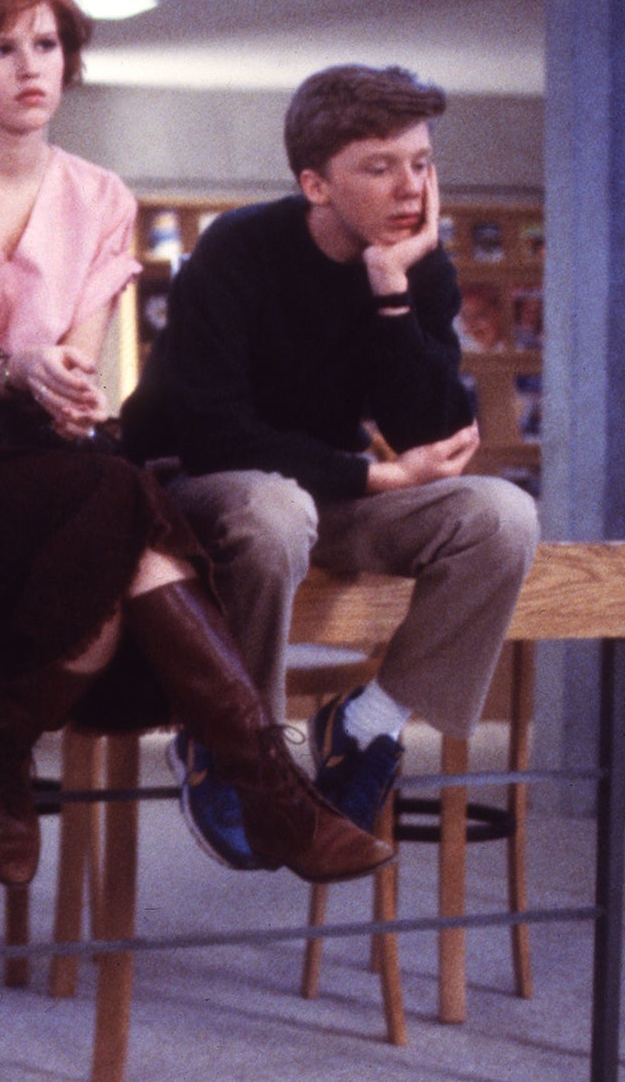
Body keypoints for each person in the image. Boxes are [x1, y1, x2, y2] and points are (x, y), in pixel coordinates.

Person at [0, 0, 392, 889]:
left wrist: (58, 384)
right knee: (127, 504)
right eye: (2, 48)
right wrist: (21, 372)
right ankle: (262, 784)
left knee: (118, 543)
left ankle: (15, 745)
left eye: (48, 44)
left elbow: (79, 355)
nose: (33, 66)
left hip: (54, 457)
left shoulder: (103, 196)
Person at [123, 64, 539, 866]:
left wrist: (391, 292)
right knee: (277, 508)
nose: (409, 187)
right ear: (316, 183)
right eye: (379, 168)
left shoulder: (421, 268)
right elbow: (214, 435)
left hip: (323, 496)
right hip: (200, 492)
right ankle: (234, 746)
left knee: (502, 515)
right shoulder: (238, 248)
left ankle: (367, 724)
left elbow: (440, 435)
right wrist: (378, 477)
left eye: (421, 163)